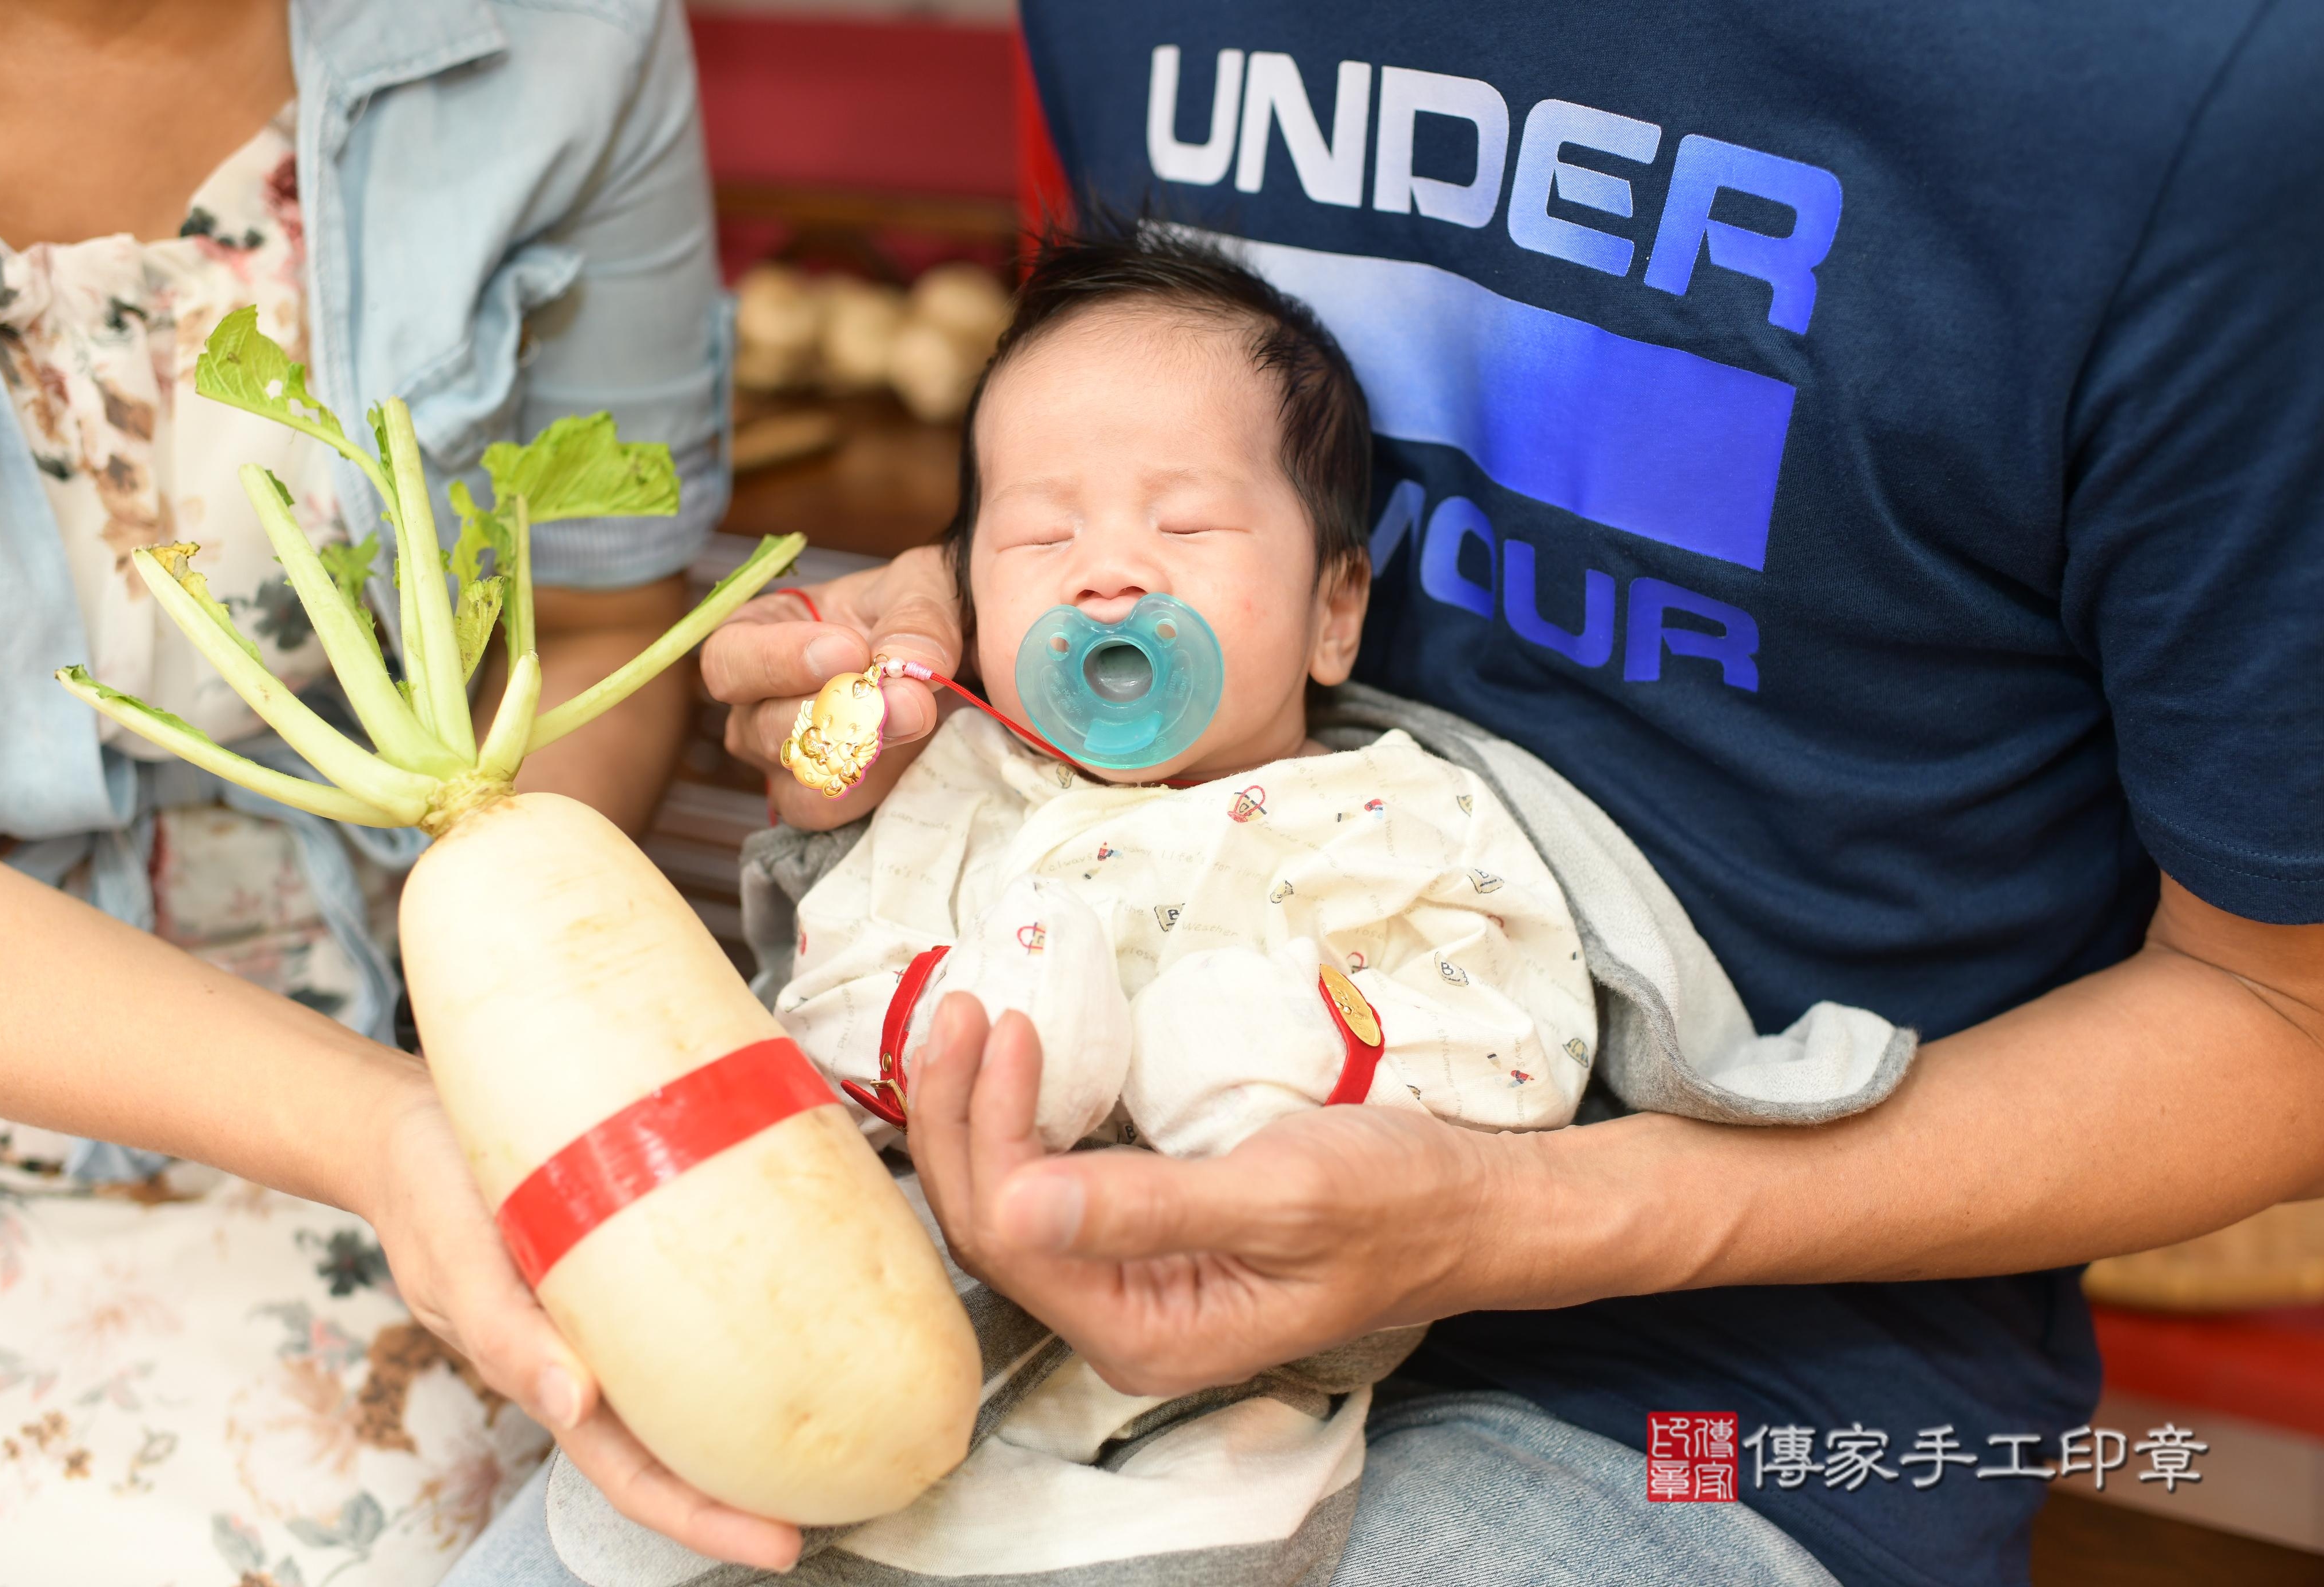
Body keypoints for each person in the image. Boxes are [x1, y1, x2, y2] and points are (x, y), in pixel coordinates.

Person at [453, 1, 2324, 1582]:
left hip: (1714, 1402)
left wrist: (1521, 1220)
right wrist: (986, 610)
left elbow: (2280, 1004)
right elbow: (1148, 410)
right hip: (965, 1286)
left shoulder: (2210, 94)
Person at [0, 0, 798, 1578]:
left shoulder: (566, 39)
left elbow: (605, 614)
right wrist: (384, 1132)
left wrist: (496, 1024)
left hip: (414, 1051)